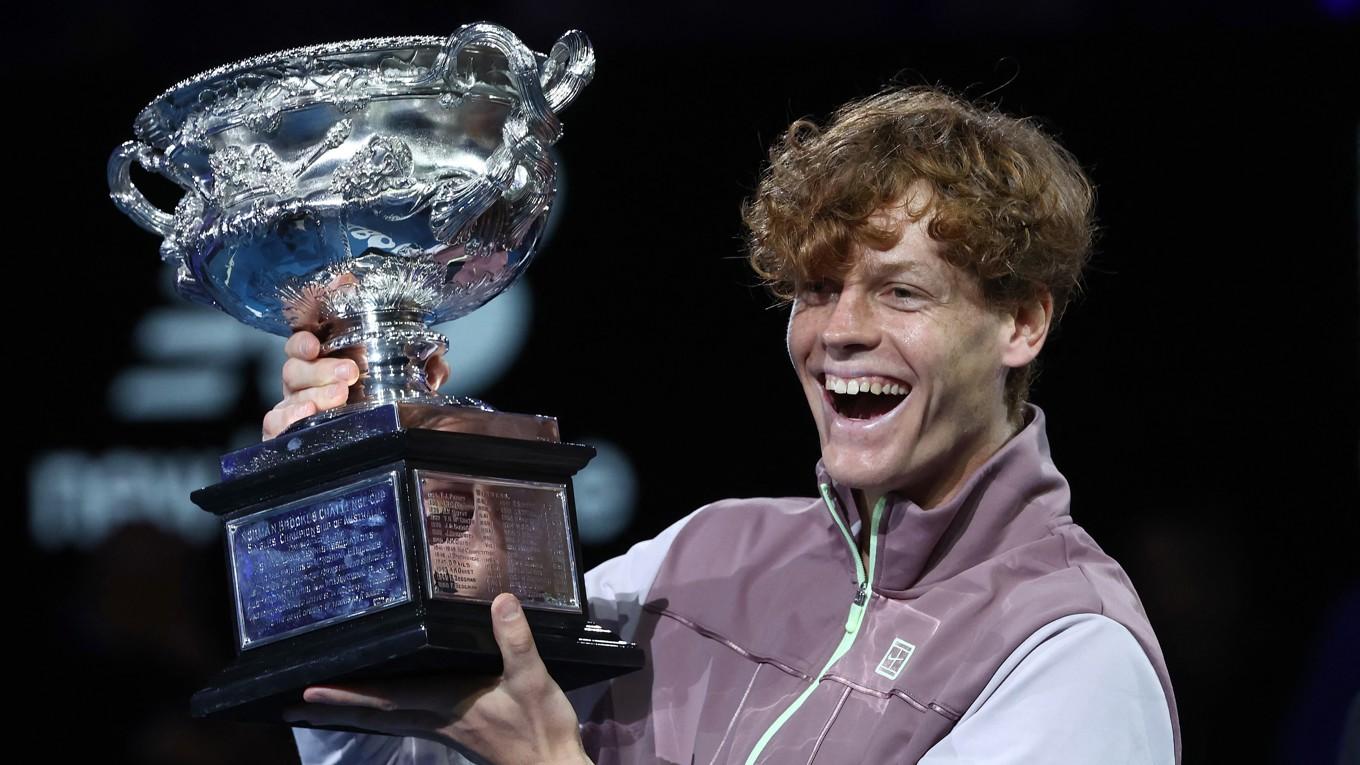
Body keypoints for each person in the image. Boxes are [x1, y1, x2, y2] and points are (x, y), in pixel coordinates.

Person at [274, 86, 1181, 764]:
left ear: (1021, 322)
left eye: (902, 291)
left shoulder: (1069, 650)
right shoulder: (694, 560)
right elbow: (380, 744)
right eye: (818, 290)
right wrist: (352, 492)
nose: (842, 330)